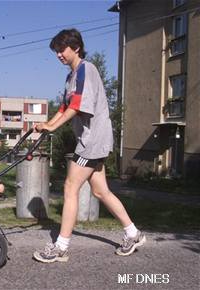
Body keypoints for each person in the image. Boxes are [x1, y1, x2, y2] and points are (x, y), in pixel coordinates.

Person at [32, 28, 146, 263]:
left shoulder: (86, 69)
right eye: (56, 51)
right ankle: (133, 234)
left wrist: (53, 127)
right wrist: (47, 124)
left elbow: (76, 107)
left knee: (70, 187)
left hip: (93, 141)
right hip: (92, 140)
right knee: (100, 191)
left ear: (75, 47)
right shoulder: (71, 76)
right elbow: (65, 107)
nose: (58, 55)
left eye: (61, 50)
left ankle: (61, 247)